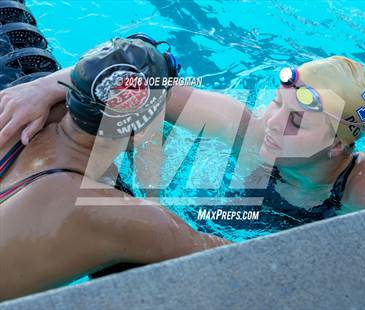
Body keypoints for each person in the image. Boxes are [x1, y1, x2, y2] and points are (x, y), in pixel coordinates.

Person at [1, 37, 365, 227]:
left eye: (296, 120)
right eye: (277, 103)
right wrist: (43, 86)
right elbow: (137, 73)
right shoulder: (247, 130)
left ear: (335, 147)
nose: (272, 121)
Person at [0, 37, 229, 301]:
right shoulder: (110, 213)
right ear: (142, 133)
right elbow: (232, 258)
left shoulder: (15, 119)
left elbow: (107, 69)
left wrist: (44, 87)